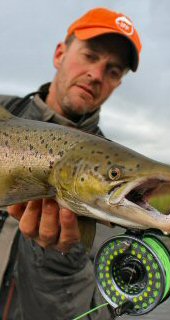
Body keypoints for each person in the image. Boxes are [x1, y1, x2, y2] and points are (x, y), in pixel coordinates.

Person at [0, 7, 142, 320]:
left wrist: (62, 262)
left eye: (113, 71)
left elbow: (99, 311)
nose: (97, 74)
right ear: (60, 54)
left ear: (116, 84)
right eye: (90, 56)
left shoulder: (112, 191)